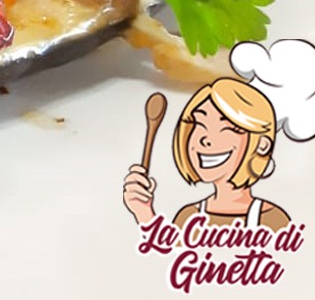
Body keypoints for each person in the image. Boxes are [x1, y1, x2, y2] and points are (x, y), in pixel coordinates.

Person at [123, 77, 290, 231]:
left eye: (228, 128)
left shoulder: (272, 220)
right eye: (199, 124)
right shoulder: (189, 216)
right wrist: (143, 212)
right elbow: (167, 257)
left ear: (262, 144)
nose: (205, 139)